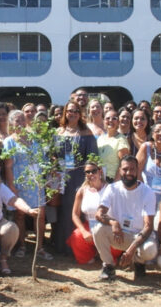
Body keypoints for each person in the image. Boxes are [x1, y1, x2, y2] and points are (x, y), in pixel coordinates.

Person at [93, 156, 158, 281]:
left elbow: (148, 226)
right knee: (98, 230)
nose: (128, 173)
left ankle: (139, 263)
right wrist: (113, 222)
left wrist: (131, 250)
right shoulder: (112, 188)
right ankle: (108, 266)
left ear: (138, 170)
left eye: (132, 169)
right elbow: (99, 213)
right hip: (120, 234)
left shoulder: (147, 192)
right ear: (119, 170)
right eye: (125, 169)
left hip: (139, 237)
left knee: (150, 250)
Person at [3, 111, 50, 259]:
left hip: (37, 183)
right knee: (20, 215)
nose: (20, 123)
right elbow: (8, 166)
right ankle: (22, 246)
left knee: (40, 216)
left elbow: (43, 161)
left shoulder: (35, 140)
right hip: (19, 183)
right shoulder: (9, 142)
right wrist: (11, 186)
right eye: (17, 121)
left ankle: (40, 247)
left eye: (22, 120)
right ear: (11, 124)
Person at [55, 101, 98, 254]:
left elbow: (93, 158)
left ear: (80, 114)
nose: (72, 113)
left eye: (75, 111)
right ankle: (63, 246)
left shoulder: (86, 133)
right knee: (63, 211)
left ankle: (78, 247)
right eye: (69, 111)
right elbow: (52, 155)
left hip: (79, 177)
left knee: (76, 210)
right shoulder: (58, 132)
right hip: (61, 176)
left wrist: (89, 178)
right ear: (65, 113)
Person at [67, 161, 115, 264]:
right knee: (77, 236)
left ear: (100, 171)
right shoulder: (82, 191)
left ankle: (107, 257)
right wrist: (83, 231)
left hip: (107, 226)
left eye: (94, 171)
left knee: (116, 244)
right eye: (87, 172)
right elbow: (75, 214)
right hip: (90, 225)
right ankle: (90, 256)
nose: (91, 174)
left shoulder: (110, 189)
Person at [97, 108, 130, 182]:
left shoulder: (121, 139)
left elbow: (124, 164)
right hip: (99, 179)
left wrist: (115, 182)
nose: (110, 120)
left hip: (112, 180)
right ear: (104, 121)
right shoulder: (100, 138)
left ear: (118, 122)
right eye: (107, 118)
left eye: (114, 118)